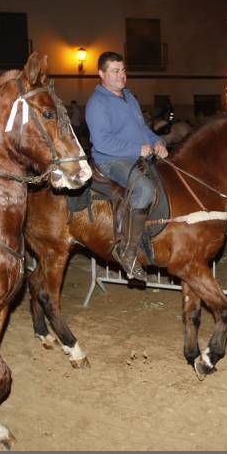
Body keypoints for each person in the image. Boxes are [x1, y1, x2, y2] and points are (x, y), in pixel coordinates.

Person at [85, 51, 168, 281]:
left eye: (123, 70)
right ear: (101, 74)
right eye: (115, 71)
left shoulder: (129, 97)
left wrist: (156, 141)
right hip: (111, 160)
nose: (122, 75)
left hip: (136, 156)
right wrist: (136, 149)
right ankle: (128, 252)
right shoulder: (97, 104)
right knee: (144, 189)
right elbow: (102, 141)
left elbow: (142, 129)